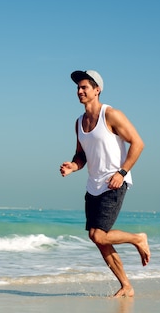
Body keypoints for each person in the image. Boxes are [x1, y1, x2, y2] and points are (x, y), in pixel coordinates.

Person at [60, 70, 150, 298]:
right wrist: (73, 166)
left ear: (97, 90)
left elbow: (138, 143)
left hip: (114, 182)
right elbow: (81, 155)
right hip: (94, 185)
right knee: (96, 238)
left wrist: (122, 172)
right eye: (78, 88)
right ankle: (126, 285)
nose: (79, 91)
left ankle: (138, 238)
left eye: (84, 88)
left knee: (100, 235)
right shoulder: (79, 122)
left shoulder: (111, 115)